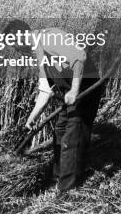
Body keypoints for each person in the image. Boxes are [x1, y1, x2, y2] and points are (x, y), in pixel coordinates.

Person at [24, 27, 103, 194]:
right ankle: (58, 178)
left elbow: (80, 56)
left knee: (73, 135)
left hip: (85, 87)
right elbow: (46, 90)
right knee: (60, 131)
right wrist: (32, 117)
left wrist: (74, 90)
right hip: (69, 93)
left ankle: (67, 189)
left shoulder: (49, 38)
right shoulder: (39, 52)